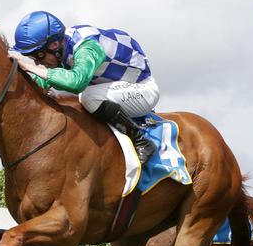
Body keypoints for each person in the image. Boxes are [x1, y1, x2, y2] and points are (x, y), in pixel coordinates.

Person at [11, 11, 159, 166]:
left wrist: (29, 68)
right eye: (32, 59)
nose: (37, 63)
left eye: (39, 56)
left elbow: (77, 83)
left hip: (143, 91)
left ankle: (141, 141)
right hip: (115, 89)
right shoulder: (61, 47)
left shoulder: (87, 46)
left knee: (87, 96)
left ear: (54, 45)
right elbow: (41, 82)